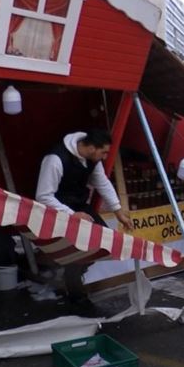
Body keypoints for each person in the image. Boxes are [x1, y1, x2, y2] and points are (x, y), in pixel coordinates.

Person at [36, 129, 132, 308]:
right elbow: (43, 196)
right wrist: (72, 215)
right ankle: (74, 290)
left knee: (103, 243)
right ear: (90, 148)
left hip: (80, 206)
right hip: (59, 211)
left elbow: (102, 183)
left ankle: (71, 276)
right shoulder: (55, 159)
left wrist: (118, 211)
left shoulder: (93, 161)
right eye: (103, 152)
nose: (104, 156)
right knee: (77, 252)